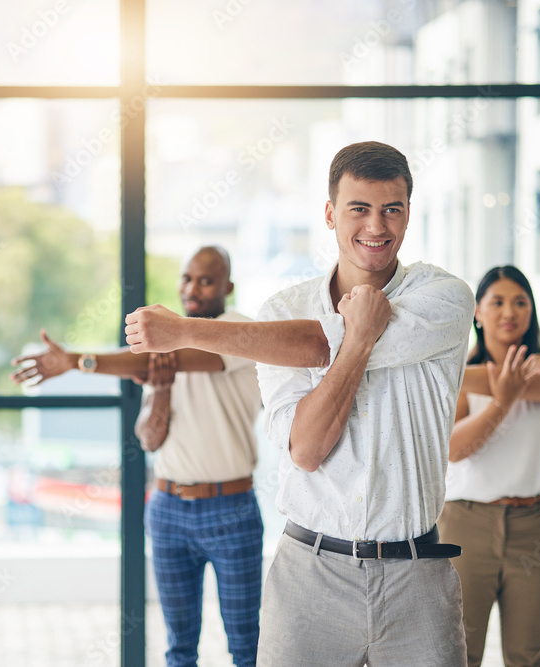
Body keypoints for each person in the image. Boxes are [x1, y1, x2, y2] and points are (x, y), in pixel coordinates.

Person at [124, 141, 474, 665]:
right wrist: (358, 340)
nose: (377, 226)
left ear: (408, 214)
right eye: (359, 208)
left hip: (416, 578)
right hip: (309, 578)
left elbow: (316, 342)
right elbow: (307, 450)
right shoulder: (282, 311)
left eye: (392, 209)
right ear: (331, 213)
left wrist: (183, 331)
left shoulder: (443, 297)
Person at [11, 246, 264, 667]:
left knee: (246, 646)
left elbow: (176, 361)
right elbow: (149, 437)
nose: (192, 288)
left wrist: (75, 361)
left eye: (206, 280)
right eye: (187, 278)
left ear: (227, 287)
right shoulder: (166, 349)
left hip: (231, 510)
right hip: (168, 509)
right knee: (179, 648)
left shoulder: (236, 329)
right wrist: (161, 389)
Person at [438, 265, 540, 667]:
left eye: (519, 301)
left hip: (538, 525)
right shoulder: (461, 378)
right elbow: (455, 450)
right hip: (466, 525)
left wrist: (460, 376)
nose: (508, 311)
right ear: (477, 312)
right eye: (496, 302)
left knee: (528, 656)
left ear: (531, 311)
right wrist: (502, 399)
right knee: (459, 654)